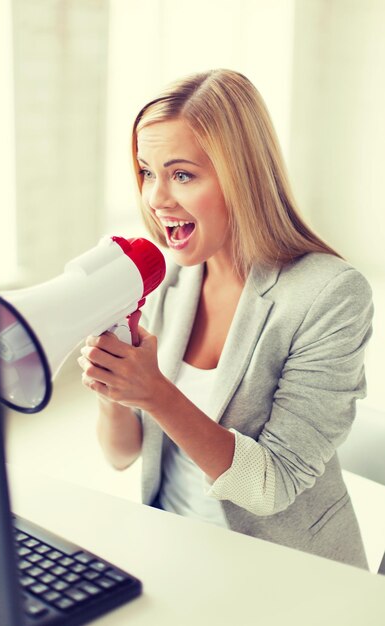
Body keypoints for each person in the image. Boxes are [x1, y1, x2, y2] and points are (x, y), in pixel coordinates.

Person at [78, 69, 373, 568]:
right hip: (173, 550)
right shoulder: (167, 279)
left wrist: (155, 392)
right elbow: (121, 454)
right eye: (147, 172)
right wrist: (113, 387)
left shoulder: (330, 294)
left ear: (244, 175)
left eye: (182, 174)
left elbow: (273, 484)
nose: (156, 198)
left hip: (281, 569)